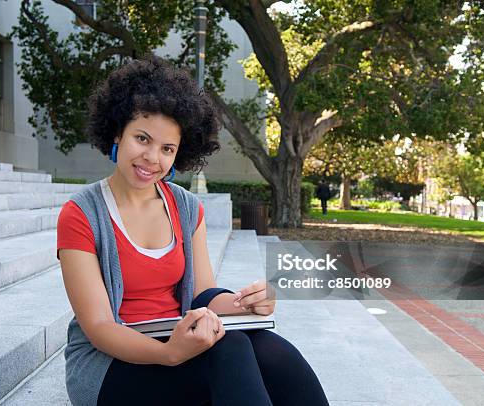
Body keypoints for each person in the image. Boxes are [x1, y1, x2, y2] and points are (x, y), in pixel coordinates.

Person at [57, 55, 329, 406]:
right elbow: (99, 328)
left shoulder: (186, 208)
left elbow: (202, 294)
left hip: (177, 337)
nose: (153, 158)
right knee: (230, 351)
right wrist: (170, 353)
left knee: (270, 350)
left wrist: (246, 304)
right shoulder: (81, 214)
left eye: (167, 148)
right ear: (117, 133)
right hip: (111, 364)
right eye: (142, 139)